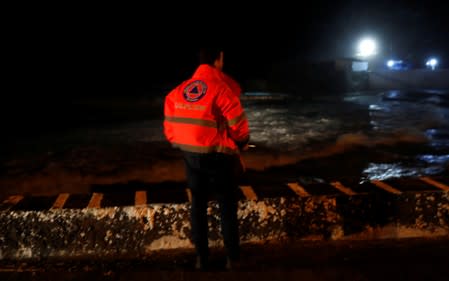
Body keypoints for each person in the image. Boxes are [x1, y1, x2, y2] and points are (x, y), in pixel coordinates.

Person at [163, 46, 250, 270]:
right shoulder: (220, 89)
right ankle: (233, 258)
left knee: (198, 206)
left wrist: (183, 145)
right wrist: (240, 144)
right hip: (218, 157)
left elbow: (171, 127)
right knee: (226, 206)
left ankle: (201, 258)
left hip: (190, 156)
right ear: (219, 60)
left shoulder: (179, 91)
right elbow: (238, 123)